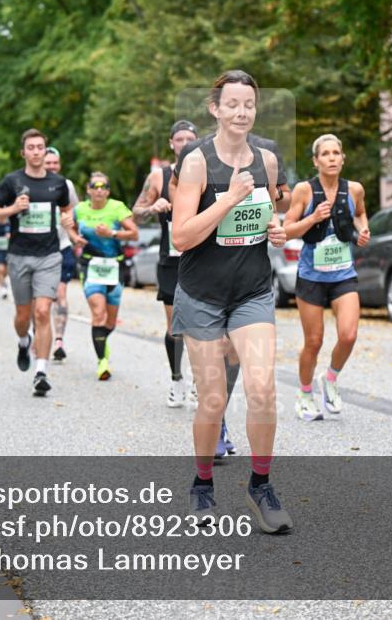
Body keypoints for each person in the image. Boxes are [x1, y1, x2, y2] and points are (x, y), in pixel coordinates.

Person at [171, 70, 292, 534]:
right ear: (215, 109)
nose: (242, 112)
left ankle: (260, 485)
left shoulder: (267, 159)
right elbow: (182, 236)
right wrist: (228, 199)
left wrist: (275, 230)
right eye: (233, 104)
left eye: (249, 104)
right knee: (214, 399)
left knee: (261, 388)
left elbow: (266, 217)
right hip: (202, 294)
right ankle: (202, 484)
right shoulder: (196, 162)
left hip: (252, 290)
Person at [283, 134, 370, 420]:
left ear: (343, 158)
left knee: (349, 335)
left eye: (336, 153)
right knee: (314, 341)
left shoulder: (354, 189)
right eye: (326, 154)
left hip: (343, 274)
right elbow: (287, 231)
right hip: (311, 277)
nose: (332, 158)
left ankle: (330, 379)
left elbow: (359, 214)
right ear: (316, 161)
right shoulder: (304, 191)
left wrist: (363, 230)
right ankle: (305, 393)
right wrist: (313, 219)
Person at [0, 129, 75, 397]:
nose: (36, 152)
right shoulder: (12, 181)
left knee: (42, 311)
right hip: (19, 256)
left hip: (49, 256)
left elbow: (66, 209)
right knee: (23, 316)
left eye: (41, 147)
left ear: (45, 151)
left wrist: (69, 222)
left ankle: (41, 371)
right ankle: (24, 341)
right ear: (23, 152)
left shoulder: (57, 183)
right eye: (31, 147)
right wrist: (12, 209)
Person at [132, 120, 200, 407]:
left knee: (202, 325)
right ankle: (176, 379)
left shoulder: (208, 172)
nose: (184, 143)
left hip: (201, 258)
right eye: (179, 139)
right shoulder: (159, 177)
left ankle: (200, 381)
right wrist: (152, 207)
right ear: (171, 144)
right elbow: (135, 214)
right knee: (176, 327)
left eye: (190, 139)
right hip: (170, 260)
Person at [73, 172, 138, 380]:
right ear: (88, 190)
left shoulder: (117, 208)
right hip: (90, 265)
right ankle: (102, 362)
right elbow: (72, 230)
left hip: (114, 266)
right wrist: (75, 238)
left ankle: (101, 342)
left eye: (104, 186)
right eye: (95, 186)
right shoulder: (79, 210)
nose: (99, 189)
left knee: (110, 321)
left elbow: (134, 234)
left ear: (108, 191)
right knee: (98, 313)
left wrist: (112, 233)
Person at [44, 146, 79, 362]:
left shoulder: (66, 185)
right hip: (37, 250)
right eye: (48, 163)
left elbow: (73, 209)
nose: (52, 167)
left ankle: (58, 340)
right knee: (40, 300)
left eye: (55, 163)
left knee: (61, 294)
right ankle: (37, 333)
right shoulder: (28, 184)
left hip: (62, 246)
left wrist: (71, 225)